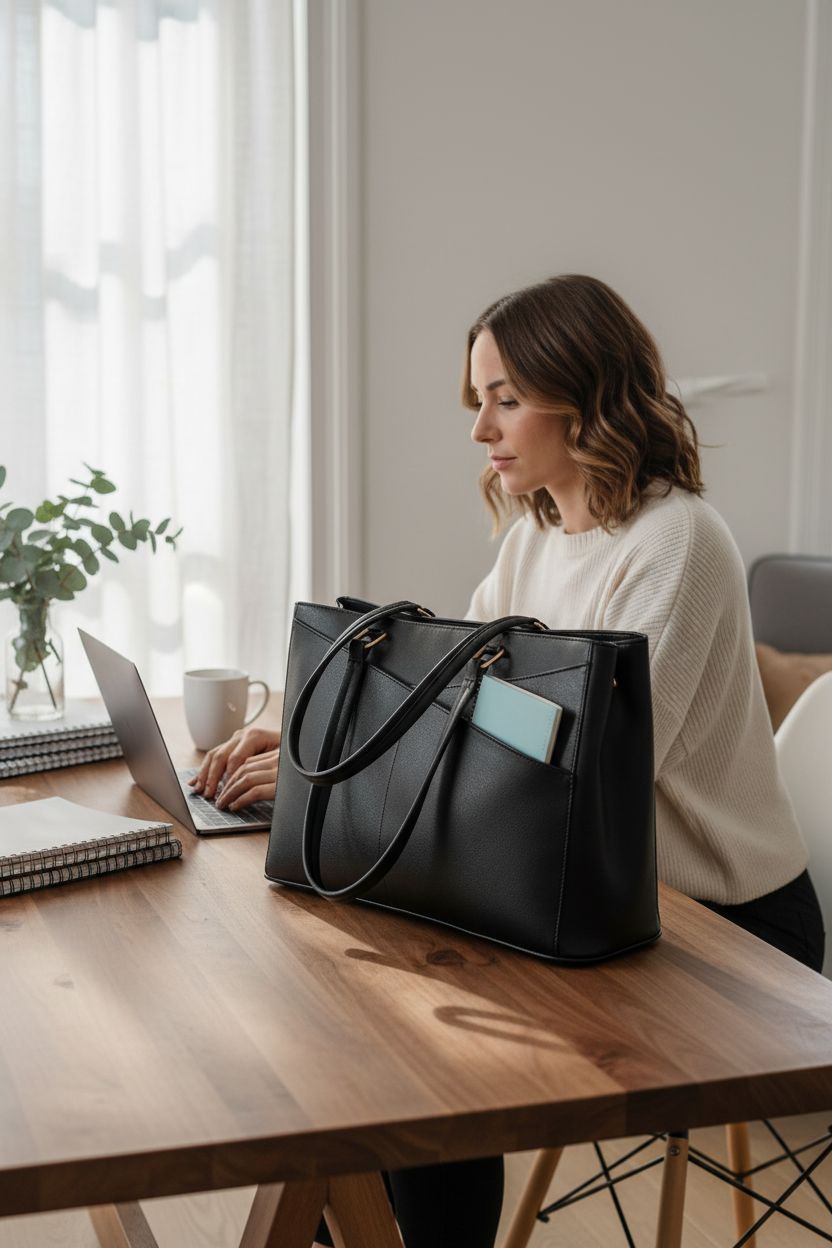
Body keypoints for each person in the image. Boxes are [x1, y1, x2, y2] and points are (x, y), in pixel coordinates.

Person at [190, 274, 825, 1247]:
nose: (481, 429)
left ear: (589, 397)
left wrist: (365, 759)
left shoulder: (676, 541)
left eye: (506, 398)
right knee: (353, 996)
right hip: (584, 885)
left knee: (420, 1045)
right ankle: (346, 1227)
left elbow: (576, 762)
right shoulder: (538, 536)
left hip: (720, 925)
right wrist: (328, 737)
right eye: (477, 400)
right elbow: (463, 701)